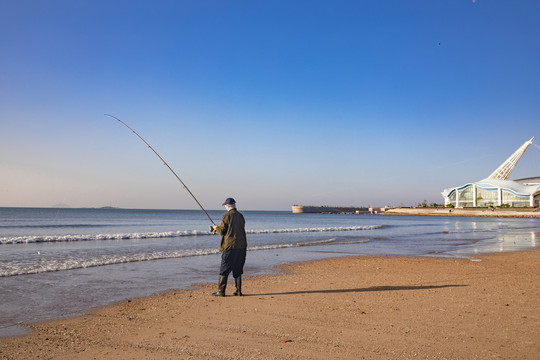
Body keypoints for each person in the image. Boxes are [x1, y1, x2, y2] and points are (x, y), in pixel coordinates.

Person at [211, 197, 247, 297]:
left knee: (224, 268)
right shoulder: (241, 216)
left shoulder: (226, 216)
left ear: (227, 206)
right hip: (242, 246)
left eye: (225, 205)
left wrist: (215, 227)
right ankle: (238, 291)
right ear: (234, 205)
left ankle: (221, 291)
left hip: (230, 246)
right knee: (238, 269)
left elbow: (222, 231)